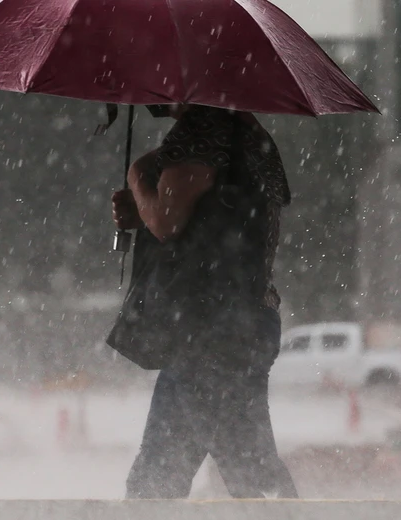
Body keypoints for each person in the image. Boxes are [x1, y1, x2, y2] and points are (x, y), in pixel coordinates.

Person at [110, 103, 298, 499]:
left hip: (209, 332)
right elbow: (203, 219)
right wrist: (146, 202)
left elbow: (166, 220)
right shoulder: (249, 132)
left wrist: (137, 181)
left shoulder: (203, 129)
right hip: (233, 325)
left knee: (252, 478)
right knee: (155, 480)